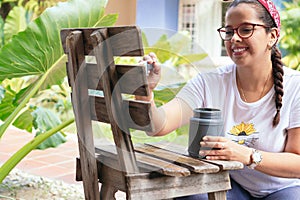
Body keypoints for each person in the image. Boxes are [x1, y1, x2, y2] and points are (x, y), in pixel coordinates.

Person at [138, 0, 300, 199]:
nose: (235, 39)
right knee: (190, 194)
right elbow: (158, 126)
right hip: (231, 186)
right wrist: (146, 92)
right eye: (229, 32)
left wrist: (248, 156)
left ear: (272, 36)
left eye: (246, 29)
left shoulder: (296, 87)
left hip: (282, 189)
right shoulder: (209, 82)